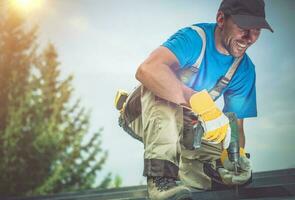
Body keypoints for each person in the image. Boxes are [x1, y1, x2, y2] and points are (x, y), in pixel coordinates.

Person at [117, 0, 273, 199]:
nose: (249, 38)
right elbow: (148, 70)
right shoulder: (194, 39)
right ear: (221, 19)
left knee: (220, 161)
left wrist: (235, 155)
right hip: (140, 114)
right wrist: (203, 106)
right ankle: (161, 178)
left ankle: (192, 175)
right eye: (243, 28)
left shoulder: (244, 70)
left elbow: (236, 126)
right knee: (162, 86)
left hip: (185, 129)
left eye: (256, 30)